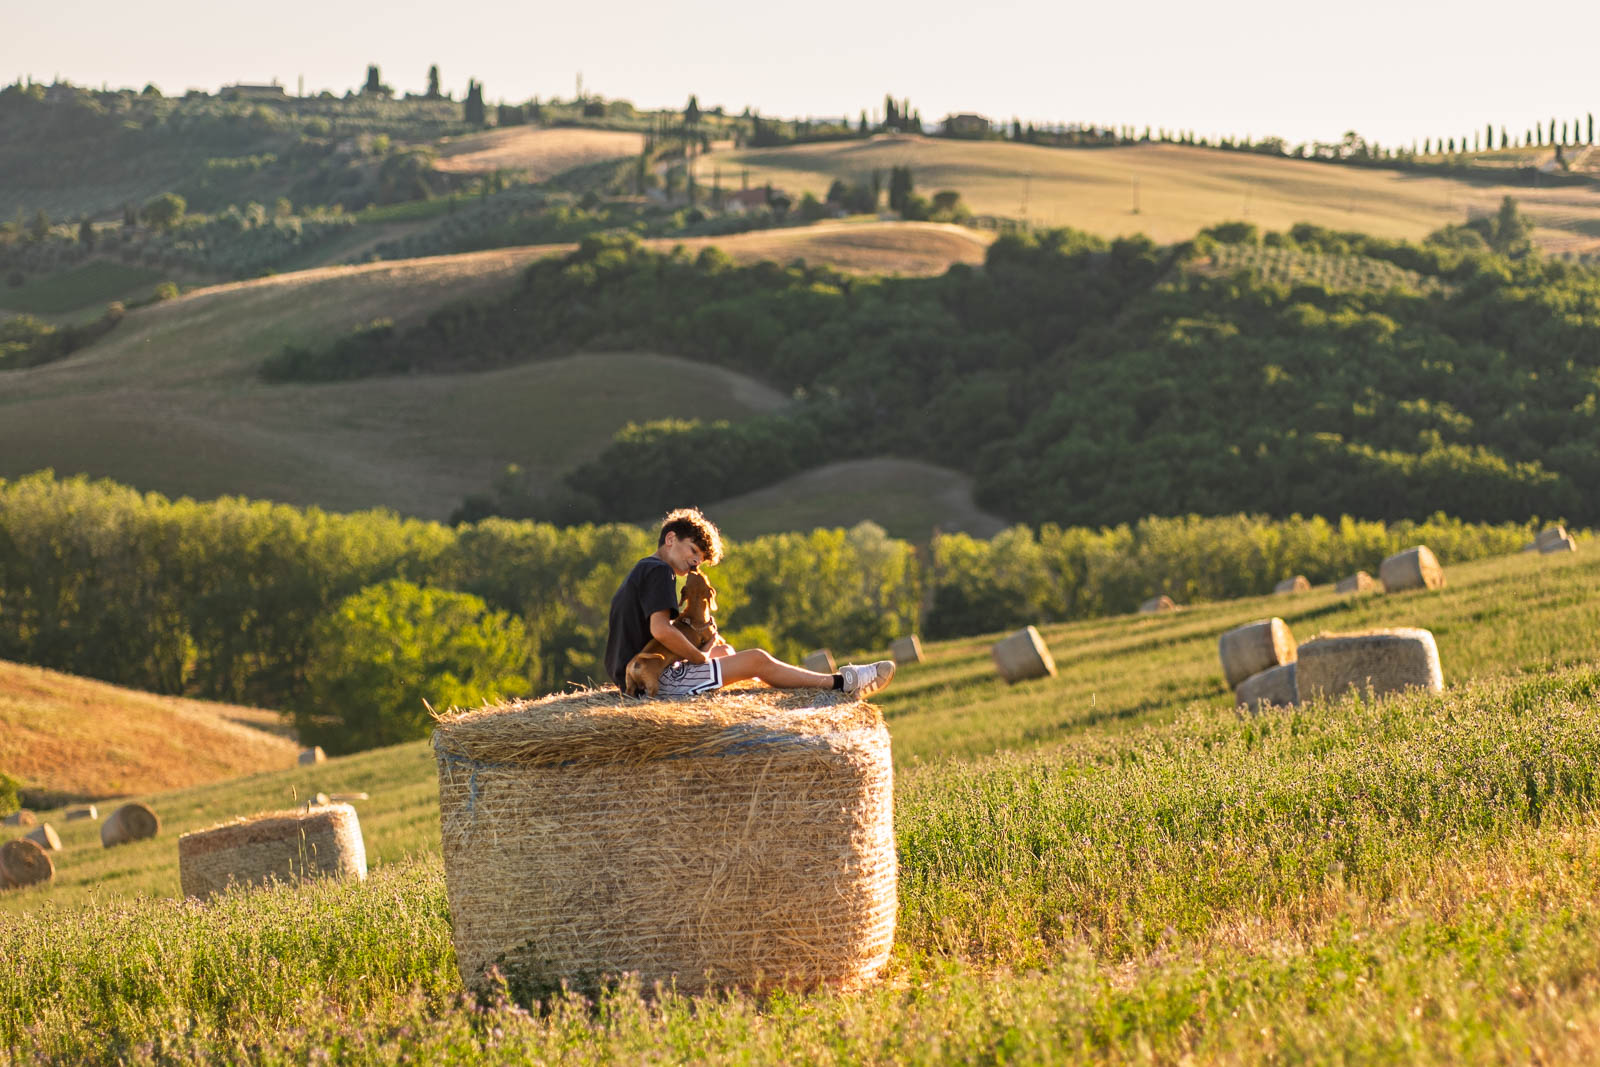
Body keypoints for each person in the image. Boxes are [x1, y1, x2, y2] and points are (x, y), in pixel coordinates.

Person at [603, 507, 895, 700]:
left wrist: (705, 650)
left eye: (700, 560)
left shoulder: (643, 569)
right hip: (651, 682)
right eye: (693, 551)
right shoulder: (659, 571)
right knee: (757, 659)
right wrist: (698, 657)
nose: (695, 562)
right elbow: (661, 631)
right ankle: (841, 685)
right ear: (670, 538)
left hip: (633, 674)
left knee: (725, 650)